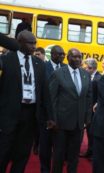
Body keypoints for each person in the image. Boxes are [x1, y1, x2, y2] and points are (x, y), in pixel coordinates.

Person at [0, 30, 47, 172]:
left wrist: (48, 116)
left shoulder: (39, 63)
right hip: (9, 114)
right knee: (3, 151)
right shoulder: (6, 60)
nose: (34, 47)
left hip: (31, 114)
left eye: (35, 43)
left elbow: (44, 93)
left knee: (23, 153)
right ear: (19, 43)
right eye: (30, 43)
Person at [48, 48, 93, 173]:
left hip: (78, 125)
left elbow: (89, 98)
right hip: (61, 124)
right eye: (74, 57)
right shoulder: (58, 73)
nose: (78, 59)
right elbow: (52, 99)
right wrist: (53, 120)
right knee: (59, 156)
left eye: (80, 57)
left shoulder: (85, 74)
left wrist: (87, 119)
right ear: (68, 58)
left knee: (74, 157)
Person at [39, 45, 66, 173]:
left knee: (59, 146)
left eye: (63, 54)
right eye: (59, 54)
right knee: (45, 145)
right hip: (45, 114)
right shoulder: (43, 67)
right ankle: (44, 169)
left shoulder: (66, 68)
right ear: (52, 54)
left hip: (61, 114)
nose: (61, 57)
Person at [81, 58, 102, 159]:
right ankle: (89, 151)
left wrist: (97, 103)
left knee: (93, 133)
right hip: (89, 111)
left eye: (86, 68)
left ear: (91, 68)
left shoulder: (99, 78)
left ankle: (93, 153)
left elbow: (100, 95)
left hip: (95, 111)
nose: (84, 69)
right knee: (89, 132)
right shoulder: (89, 77)